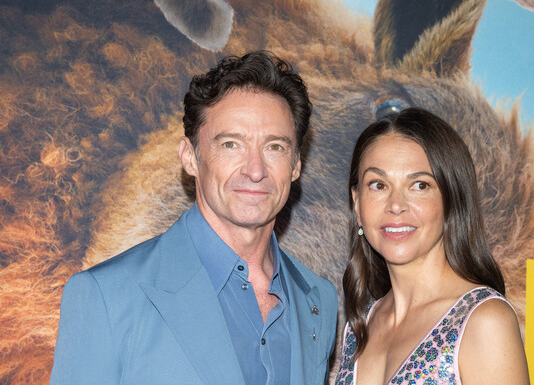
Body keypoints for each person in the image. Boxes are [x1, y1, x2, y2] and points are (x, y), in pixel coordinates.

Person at [50, 51, 338, 385]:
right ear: (190, 157)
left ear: (296, 165)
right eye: (230, 144)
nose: (255, 170)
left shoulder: (318, 299)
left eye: (275, 147)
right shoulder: (107, 296)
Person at [335, 108, 529, 384]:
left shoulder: (484, 321)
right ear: (357, 204)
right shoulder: (358, 329)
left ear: (451, 201)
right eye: (378, 185)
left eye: (420, 185)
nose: (396, 206)